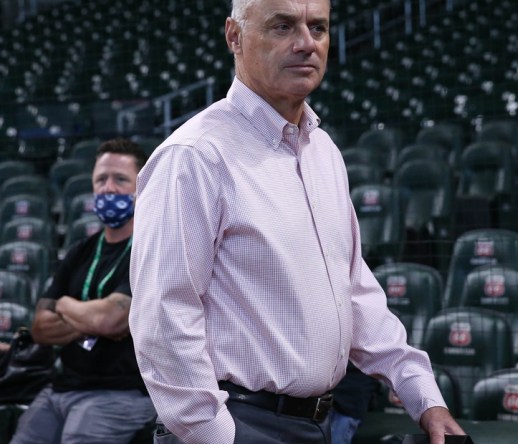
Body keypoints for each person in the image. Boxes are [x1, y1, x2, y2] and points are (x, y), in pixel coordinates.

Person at [127, 0, 465, 443]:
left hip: (311, 425)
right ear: (234, 36)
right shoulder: (193, 157)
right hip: (237, 423)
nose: (306, 43)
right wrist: (215, 435)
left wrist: (424, 397)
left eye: (318, 27)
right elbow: (162, 317)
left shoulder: (323, 151)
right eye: (283, 26)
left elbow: (354, 290)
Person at [11, 138, 155, 444]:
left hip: (122, 391)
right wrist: (90, 319)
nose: (108, 189)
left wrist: (63, 304)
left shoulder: (149, 250)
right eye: (101, 179)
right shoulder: (80, 251)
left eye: (120, 179)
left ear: (141, 187)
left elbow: (110, 321)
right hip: (61, 388)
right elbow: (40, 327)